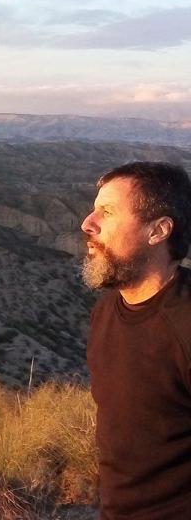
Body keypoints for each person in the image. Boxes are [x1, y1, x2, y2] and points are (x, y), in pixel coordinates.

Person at [81, 161, 191, 519]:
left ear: (158, 231)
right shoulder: (108, 310)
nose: (87, 223)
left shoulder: (185, 323)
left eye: (107, 212)